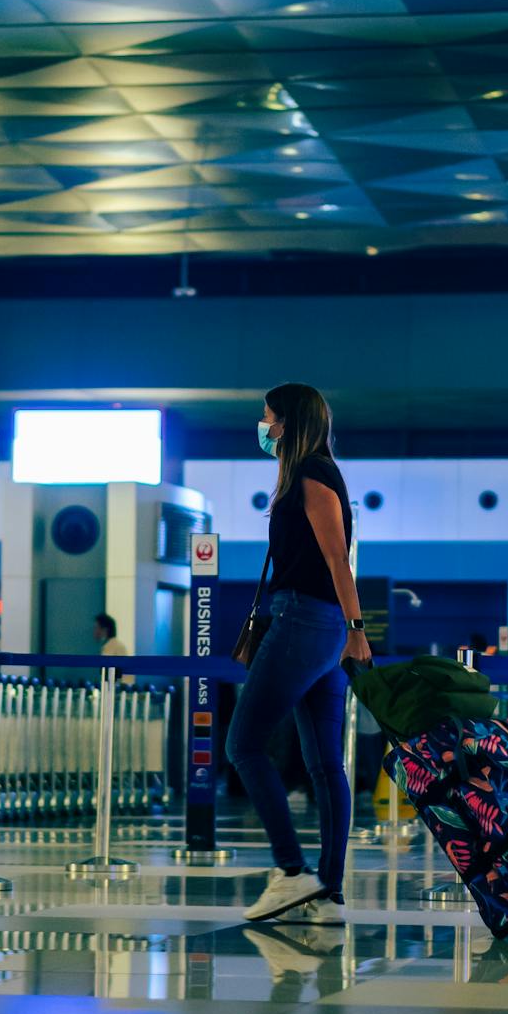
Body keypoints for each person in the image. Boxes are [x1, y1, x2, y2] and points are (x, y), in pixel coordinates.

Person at [226, 383, 371, 925]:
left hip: (305, 620)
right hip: (320, 624)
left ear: (288, 422)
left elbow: (338, 559)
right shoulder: (309, 472)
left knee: (242, 743)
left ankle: (292, 873)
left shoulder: (311, 474)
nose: (263, 428)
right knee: (323, 763)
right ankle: (326, 896)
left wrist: (358, 628)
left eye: (268, 418)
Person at [93, 612, 134, 685]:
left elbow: (107, 672)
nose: (94, 631)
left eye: (96, 627)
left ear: (105, 630)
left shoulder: (111, 647)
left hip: (118, 689)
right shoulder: (115, 644)